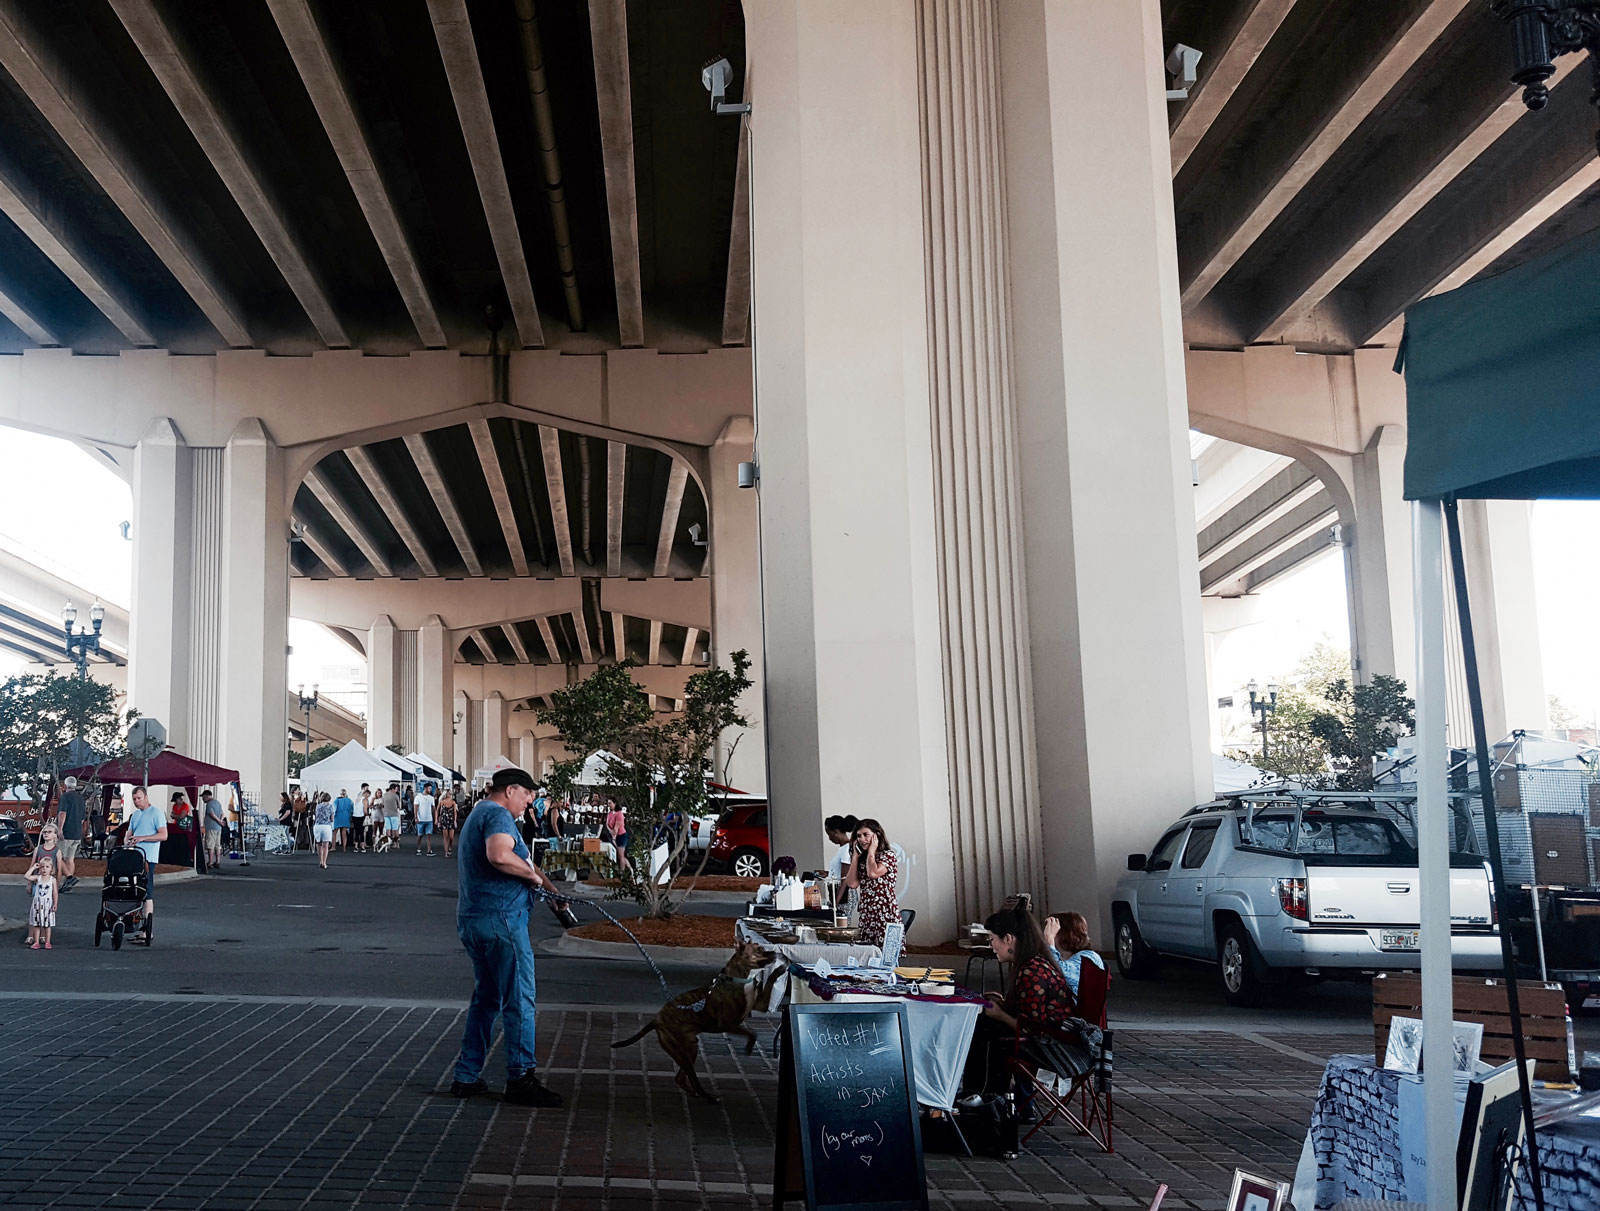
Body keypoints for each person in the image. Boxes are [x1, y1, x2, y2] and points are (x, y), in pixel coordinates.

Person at [450, 767, 566, 1107]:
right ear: (510, 790)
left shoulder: (479, 813)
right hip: (502, 922)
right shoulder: (499, 816)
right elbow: (500, 855)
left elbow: (518, 857)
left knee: (487, 998)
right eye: (527, 795)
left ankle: (466, 1076)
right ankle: (520, 1077)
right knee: (519, 999)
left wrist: (550, 890)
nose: (529, 802)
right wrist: (531, 876)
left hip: (474, 919)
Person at [962, 905, 1077, 1100]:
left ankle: (984, 1097)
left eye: (992, 939)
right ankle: (980, 1095)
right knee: (984, 1024)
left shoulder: (1031, 971)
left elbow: (1033, 1029)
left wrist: (1000, 1014)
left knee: (983, 1028)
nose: (991, 946)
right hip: (1051, 1038)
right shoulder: (1034, 963)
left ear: (1009, 939)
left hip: (1049, 1046)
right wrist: (1005, 1004)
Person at [843, 818, 899, 946]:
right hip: (867, 913)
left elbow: (873, 873)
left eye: (866, 835)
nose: (862, 839)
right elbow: (852, 883)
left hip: (885, 913)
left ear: (876, 835)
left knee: (885, 957)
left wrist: (872, 852)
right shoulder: (862, 859)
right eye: (858, 836)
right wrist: (855, 858)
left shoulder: (888, 855)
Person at [124, 787, 167, 930]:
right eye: (134, 799)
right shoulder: (135, 815)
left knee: (147, 891)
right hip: (134, 857)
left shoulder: (156, 813)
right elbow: (129, 832)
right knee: (132, 889)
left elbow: (163, 835)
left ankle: (146, 929)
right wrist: (128, 840)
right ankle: (133, 921)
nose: (137, 801)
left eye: (139, 798)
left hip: (148, 858)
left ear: (146, 797)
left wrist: (144, 838)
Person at [1043, 911, 1106, 1002]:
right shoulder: (1066, 958)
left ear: (1065, 934)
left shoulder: (1088, 957)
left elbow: (1059, 973)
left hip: (1076, 1014)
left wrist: (1049, 942)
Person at [53, 775, 86, 892]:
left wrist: (60, 829)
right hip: (77, 832)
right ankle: (68, 885)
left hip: (66, 832)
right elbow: (82, 819)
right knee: (70, 859)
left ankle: (67, 878)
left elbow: (62, 813)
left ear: (65, 786)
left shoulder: (65, 797)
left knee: (57, 856)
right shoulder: (81, 799)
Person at [25, 843, 59, 950]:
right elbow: (26, 876)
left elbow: (55, 893)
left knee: (47, 925)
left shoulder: (52, 880)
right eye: (43, 867)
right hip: (37, 903)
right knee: (36, 924)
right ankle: (36, 941)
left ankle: (47, 942)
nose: (44, 869)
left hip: (47, 904)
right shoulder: (38, 878)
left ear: (51, 869)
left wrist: (55, 904)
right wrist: (34, 867)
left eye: (47, 867)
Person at [824, 815, 861, 880]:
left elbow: (845, 878)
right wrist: (828, 873)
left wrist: (840, 890)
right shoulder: (843, 848)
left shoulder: (846, 849)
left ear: (836, 832)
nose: (829, 838)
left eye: (829, 834)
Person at [202, 789, 227, 872]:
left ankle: (210, 862)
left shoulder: (209, 804)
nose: (203, 799)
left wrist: (218, 821)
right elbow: (223, 814)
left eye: (203, 797)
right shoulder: (218, 803)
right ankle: (218, 862)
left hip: (211, 827)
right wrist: (220, 821)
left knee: (210, 845)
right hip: (218, 828)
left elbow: (211, 814)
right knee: (217, 845)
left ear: (206, 796)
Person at [604, 800, 629, 874]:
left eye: (610, 803)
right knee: (620, 854)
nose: (609, 805)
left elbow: (617, 827)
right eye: (608, 803)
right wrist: (610, 831)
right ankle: (629, 869)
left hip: (621, 835)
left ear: (615, 803)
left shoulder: (619, 814)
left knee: (621, 855)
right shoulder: (610, 813)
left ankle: (622, 872)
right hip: (613, 834)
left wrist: (614, 837)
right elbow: (607, 824)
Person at [312, 792, 335, 869]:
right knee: (326, 845)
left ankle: (320, 861)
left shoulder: (318, 806)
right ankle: (324, 863)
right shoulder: (330, 806)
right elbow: (332, 819)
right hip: (326, 826)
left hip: (317, 826)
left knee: (319, 844)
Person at [414, 783, 436, 856]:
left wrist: (435, 818)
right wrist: (416, 817)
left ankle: (429, 850)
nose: (430, 790)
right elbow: (416, 808)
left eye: (430, 788)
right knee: (420, 835)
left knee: (429, 835)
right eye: (429, 788)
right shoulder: (418, 797)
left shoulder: (431, 798)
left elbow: (433, 809)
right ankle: (418, 848)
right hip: (421, 819)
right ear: (425, 788)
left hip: (429, 819)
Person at [437, 786, 459, 858]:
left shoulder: (453, 802)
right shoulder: (442, 802)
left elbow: (455, 812)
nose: (449, 795)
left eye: (450, 794)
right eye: (448, 794)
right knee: (445, 837)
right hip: (444, 820)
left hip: (451, 820)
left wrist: (455, 821)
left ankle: (450, 847)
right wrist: (437, 820)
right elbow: (438, 811)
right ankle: (446, 851)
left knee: (451, 837)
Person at [382, 783, 402, 849]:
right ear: (393, 789)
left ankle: (388, 844)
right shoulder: (396, 796)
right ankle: (396, 844)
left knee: (388, 830)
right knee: (395, 830)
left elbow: (383, 804)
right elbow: (399, 806)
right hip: (394, 814)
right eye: (396, 789)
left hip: (386, 814)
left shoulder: (384, 795)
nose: (397, 790)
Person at [352, 784, 368, 851]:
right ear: (364, 788)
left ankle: (356, 846)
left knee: (356, 831)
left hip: (355, 815)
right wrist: (367, 814)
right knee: (361, 831)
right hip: (361, 816)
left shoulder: (357, 796)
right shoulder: (364, 799)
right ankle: (362, 846)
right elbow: (365, 809)